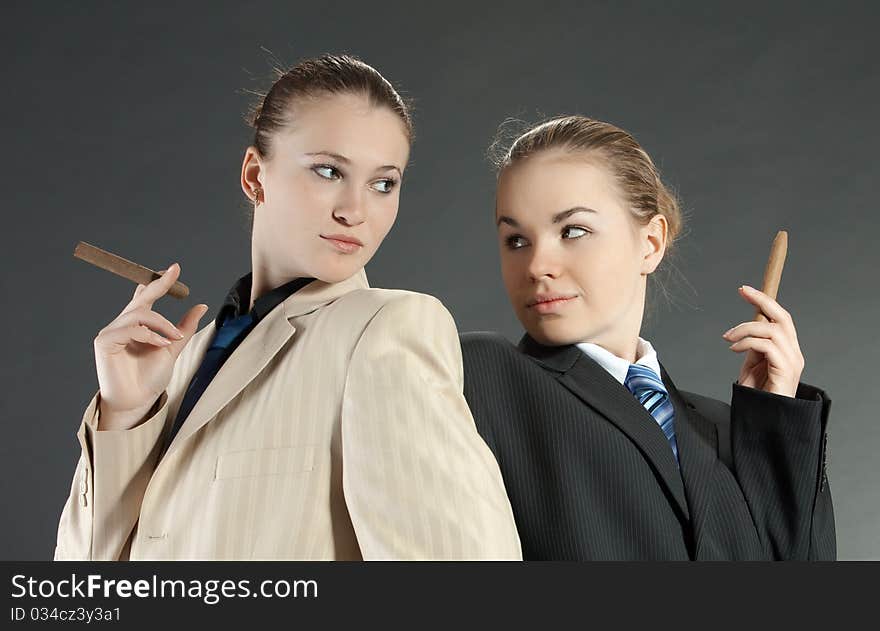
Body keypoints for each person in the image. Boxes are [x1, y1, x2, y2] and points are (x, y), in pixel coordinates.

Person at [54, 54, 521, 560]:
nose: (354, 211)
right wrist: (125, 412)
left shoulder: (385, 333)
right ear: (255, 175)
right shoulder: (179, 363)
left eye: (383, 183)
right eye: (328, 170)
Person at [461, 115, 834, 560]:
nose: (538, 264)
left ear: (651, 243)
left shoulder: (725, 429)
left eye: (572, 231)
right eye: (516, 240)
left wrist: (778, 422)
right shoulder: (477, 374)